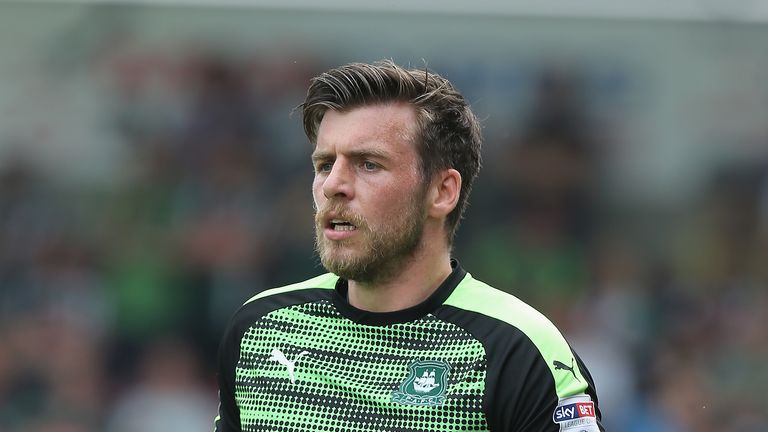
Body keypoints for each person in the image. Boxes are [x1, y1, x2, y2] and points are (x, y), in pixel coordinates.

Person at [214, 60, 603, 432]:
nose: (333, 184)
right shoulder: (260, 327)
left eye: (368, 164)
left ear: (442, 191)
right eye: (324, 164)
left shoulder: (518, 348)